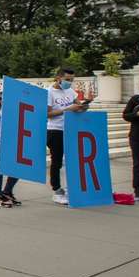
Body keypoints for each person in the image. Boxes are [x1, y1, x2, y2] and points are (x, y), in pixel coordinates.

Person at [46, 67, 90, 205]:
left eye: (71, 80)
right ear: (58, 78)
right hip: (55, 130)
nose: (69, 82)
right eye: (67, 79)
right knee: (57, 161)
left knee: (72, 159)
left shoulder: (70, 91)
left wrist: (83, 107)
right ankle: (57, 190)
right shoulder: (49, 92)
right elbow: (47, 114)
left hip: (71, 128)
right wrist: (66, 109)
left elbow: (78, 105)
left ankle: (71, 187)